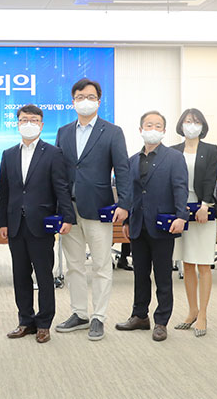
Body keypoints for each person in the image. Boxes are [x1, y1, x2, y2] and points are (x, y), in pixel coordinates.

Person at [54, 78, 131, 341]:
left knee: (100, 265)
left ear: (98, 101)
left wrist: (124, 203)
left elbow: (122, 169)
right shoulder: (63, 132)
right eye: (79, 97)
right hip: (69, 209)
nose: (84, 101)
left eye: (90, 97)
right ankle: (79, 313)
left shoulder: (112, 132)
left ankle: (98, 316)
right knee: (74, 265)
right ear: (72, 101)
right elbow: (58, 172)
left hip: (99, 208)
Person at [0, 104, 75, 344]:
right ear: (17, 124)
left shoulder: (53, 153)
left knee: (43, 276)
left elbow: (61, 187)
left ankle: (43, 324)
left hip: (41, 224)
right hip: (15, 224)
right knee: (20, 275)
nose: (28, 124)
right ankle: (25, 321)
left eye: (33, 120)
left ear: (41, 125)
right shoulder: (9, 154)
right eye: (24, 120)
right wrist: (2, 222)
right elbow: (4, 191)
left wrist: (67, 216)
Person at [115, 111, 189, 342]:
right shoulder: (132, 160)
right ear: (141, 130)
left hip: (163, 225)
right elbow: (130, 193)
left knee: (163, 276)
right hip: (138, 225)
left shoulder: (174, 158)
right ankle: (139, 316)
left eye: (158, 126)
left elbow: (180, 188)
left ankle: (161, 321)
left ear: (164, 131)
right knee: (140, 274)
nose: (153, 129)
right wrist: (127, 220)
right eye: (149, 125)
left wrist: (181, 216)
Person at [171, 109, 217, 337]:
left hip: (203, 210)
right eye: (188, 121)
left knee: (203, 263)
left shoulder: (210, 150)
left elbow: (211, 179)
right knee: (187, 262)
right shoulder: (173, 150)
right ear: (181, 125)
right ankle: (192, 311)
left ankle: (203, 314)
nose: (191, 125)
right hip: (180, 210)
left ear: (203, 125)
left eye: (196, 121)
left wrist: (205, 204)